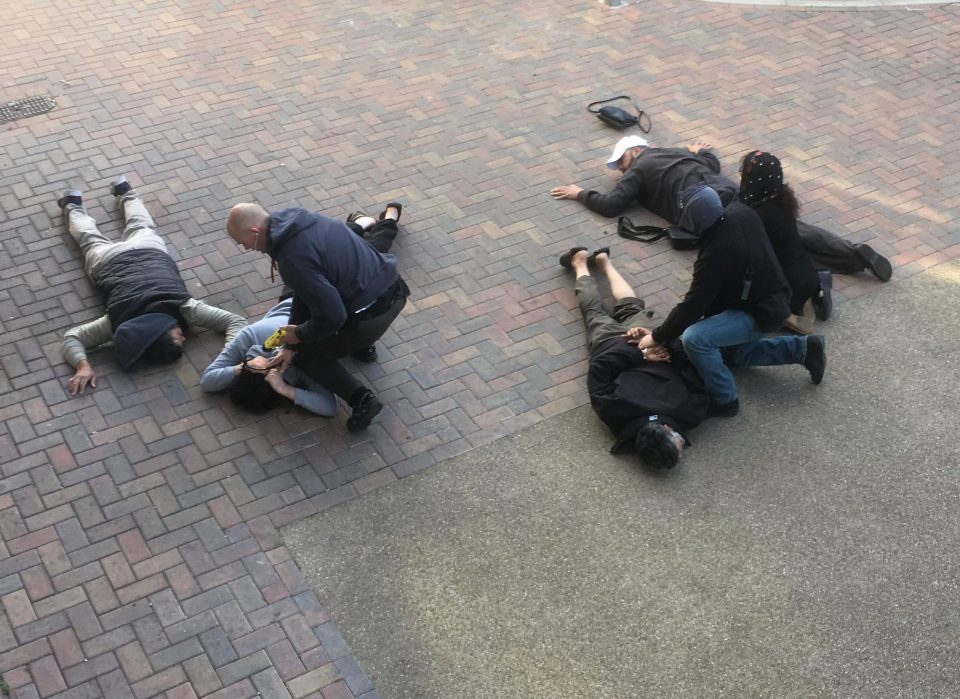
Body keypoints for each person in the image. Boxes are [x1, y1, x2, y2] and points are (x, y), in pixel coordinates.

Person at [550, 136, 893, 282]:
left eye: (621, 163)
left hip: (704, 207)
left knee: (768, 246)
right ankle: (852, 254)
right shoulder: (675, 152)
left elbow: (612, 205)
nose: (621, 170)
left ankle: (838, 267)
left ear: (634, 152)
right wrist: (697, 151)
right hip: (728, 190)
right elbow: (711, 161)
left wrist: (581, 194)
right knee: (787, 230)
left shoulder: (639, 168)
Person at [636, 185, 826, 417]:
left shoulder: (718, 252)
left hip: (761, 310)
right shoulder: (739, 211)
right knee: (733, 355)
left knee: (696, 339)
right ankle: (804, 349)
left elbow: (693, 305)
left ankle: (725, 400)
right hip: (774, 297)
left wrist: (656, 336)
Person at [224, 201, 408, 432]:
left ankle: (361, 400)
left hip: (369, 315)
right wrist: (291, 337)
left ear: (255, 231)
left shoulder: (292, 259)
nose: (246, 248)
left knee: (306, 352)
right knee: (309, 332)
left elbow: (333, 316)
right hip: (394, 290)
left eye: (244, 243)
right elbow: (305, 293)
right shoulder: (298, 218)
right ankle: (362, 345)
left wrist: (298, 337)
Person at [57, 177, 246, 396]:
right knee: (88, 238)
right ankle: (73, 203)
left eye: (177, 337)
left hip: (148, 250)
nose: (184, 337)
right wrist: (83, 365)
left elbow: (236, 321)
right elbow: (73, 337)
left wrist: (229, 357)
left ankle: (124, 191)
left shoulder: (185, 308)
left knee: (141, 225)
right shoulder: (118, 322)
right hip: (107, 260)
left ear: (156, 332)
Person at [560, 245, 709, 469]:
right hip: (619, 347)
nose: (682, 440)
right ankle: (580, 263)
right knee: (595, 312)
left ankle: (602, 262)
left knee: (626, 306)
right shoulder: (615, 418)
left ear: (667, 431)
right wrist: (649, 345)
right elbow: (599, 372)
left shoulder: (690, 413)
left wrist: (648, 351)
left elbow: (692, 370)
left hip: (635, 346)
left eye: (679, 444)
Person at [739, 150, 831, 333]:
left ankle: (784, 315)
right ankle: (817, 290)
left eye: (743, 172)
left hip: (786, 288)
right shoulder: (782, 198)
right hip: (804, 274)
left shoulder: (756, 215)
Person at [201, 298, 337, 417]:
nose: (256, 363)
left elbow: (207, 381)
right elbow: (330, 407)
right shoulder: (296, 369)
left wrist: (239, 368)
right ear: (275, 376)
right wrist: (284, 388)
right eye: (261, 371)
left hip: (297, 300)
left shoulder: (249, 337)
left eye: (249, 369)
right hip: (329, 313)